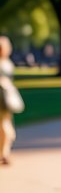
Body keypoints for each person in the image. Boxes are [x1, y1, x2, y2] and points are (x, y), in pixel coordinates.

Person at [0, 36, 25, 165]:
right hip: (4, 96)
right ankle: (4, 152)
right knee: (5, 123)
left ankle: (4, 151)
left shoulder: (5, 64)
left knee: (4, 123)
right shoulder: (6, 64)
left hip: (4, 96)